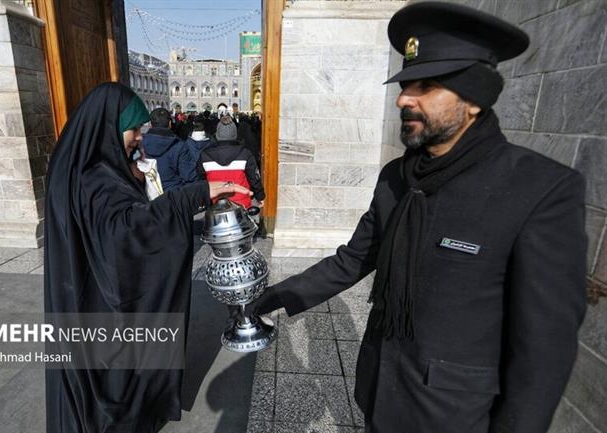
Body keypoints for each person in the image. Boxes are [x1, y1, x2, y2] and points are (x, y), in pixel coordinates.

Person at [251, 3, 587, 433]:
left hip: (454, 416)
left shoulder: (540, 189)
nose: (404, 98)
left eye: (426, 86)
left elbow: (544, 349)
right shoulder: (396, 178)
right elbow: (354, 259)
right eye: (407, 83)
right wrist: (277, 296)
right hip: (380, 392)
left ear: (474, 100)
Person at [44, 82, 251, 433]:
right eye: (133, 129)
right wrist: (195, 195)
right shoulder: (93, 178)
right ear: (107, 126)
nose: (140, 137)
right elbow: (128, 232)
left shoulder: (85, 168)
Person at [198, 115, 265, 209]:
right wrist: (260, 196)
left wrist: (201, 200)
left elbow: (200, 180)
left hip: (215, 202)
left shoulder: (204, 155)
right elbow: (254, 177)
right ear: (235, 134)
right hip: (241, 202)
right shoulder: (245, 153)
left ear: (217, 134)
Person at [142, 107, 184, 191]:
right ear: (169, 124)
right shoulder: (179, 145)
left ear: (150, 124)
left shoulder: (139, 143)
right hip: (173, 195)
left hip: (146, 193)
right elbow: (189, 176)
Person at [179, 121, 212, 185]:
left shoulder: (186, 143)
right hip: (206, 175)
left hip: (190, 176)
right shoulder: (210, 142)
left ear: (193, 130)